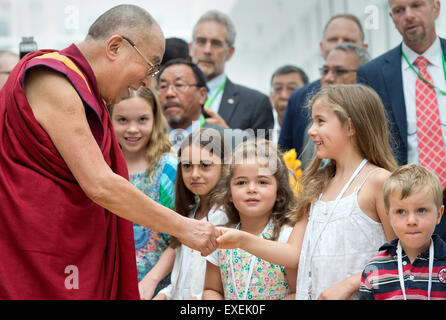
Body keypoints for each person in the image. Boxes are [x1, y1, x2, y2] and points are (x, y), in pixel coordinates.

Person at [0, 5, 219, 299]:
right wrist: (183, 227)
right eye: (151, 66)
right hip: (40, 256)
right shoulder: (53, 78)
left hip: (70, 253)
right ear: (115, 46)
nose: (148, 82)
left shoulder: (91, 97)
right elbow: (100, 184)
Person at [216, 84, 398, 300]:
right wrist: (241, 240)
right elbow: (293, 254)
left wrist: (350, 284)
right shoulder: (317, 185)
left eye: (320, 121)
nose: (311, 130)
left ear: (350, 126)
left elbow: (403, 256)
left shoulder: (379, 181)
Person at [357, 0, 446, 240]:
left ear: (435, 8)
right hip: (406, 209)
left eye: (416, 5)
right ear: (392, 17)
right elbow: (370, 142)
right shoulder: (372, 74)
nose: (408, 15)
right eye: (399, 10)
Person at [202, 139, 297, 300]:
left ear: (279, 192)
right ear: (229, 194)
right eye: (241, 182)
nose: (251, 189)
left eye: (262, 182)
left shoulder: (287, 239)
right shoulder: (221, 238)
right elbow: (211, 290)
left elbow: (298, 293)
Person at [110, 86, 177, 299]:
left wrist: (152, 280)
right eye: (122, 120)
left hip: (158, 289)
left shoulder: (168, 169)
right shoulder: (103, 169)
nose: (132, 129)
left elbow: (181, 237)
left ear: (155, 120)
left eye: (142, 120)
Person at [153, 128, 229, 300]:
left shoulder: (226, 218)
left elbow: (218, 284)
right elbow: (182, 277)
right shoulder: (188, 214)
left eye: (205, 165)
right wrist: (165, 294)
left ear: (224, 166)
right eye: (187, 166)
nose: (195, 174)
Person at [279, 13, 367, 159]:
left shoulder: (377, 93)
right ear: (321, 47)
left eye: (348, 40)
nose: (339, 44)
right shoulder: (299, 98)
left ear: (364, 48)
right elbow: (285, 154)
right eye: (333, 39)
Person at [360, 164, 446, 300]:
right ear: (389, 217)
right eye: (401, 211)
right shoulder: (374, 269)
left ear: (439, 214)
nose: (411, 221)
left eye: (421, 210)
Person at [189, 10, 274, 138]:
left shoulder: (256, 104)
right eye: (201, 41)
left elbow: (263, 156)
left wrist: (229, 137)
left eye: (216, 43)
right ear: (191, 48)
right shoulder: (168, 96)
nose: (207, 50)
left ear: (230, 52)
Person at [283, 43, 370, 169]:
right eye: (325, 71)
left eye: (339, 71)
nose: (329, 78)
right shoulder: (312, 129)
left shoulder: (369, 126)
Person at [157, 58, 246, 150]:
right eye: (163, 86)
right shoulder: (147, 138)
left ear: (202, 95)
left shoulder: (231, 142)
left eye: (179, 85)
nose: (169, 93)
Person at [269, 65, 308, 142]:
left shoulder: (313, 133)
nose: (284, 96)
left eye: (291, 88)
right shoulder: (263, 131)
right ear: (271, 96)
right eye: (278, 88)